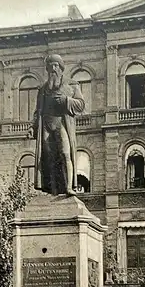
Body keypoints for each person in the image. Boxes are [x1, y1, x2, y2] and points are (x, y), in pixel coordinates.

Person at [30, 54, 85, 195]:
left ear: (61, 68)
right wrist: (33, 127)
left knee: (65, 153)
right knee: (49, 157)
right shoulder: (43, 90)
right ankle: (53, 190)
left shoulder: (72, 85)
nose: (53, 69)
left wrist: (67, 100)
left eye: (56, 66)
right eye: (50, 66)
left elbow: (81, 105)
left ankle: (68, 187)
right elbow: (38, 111)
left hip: (62, 123)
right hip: (46, 125)